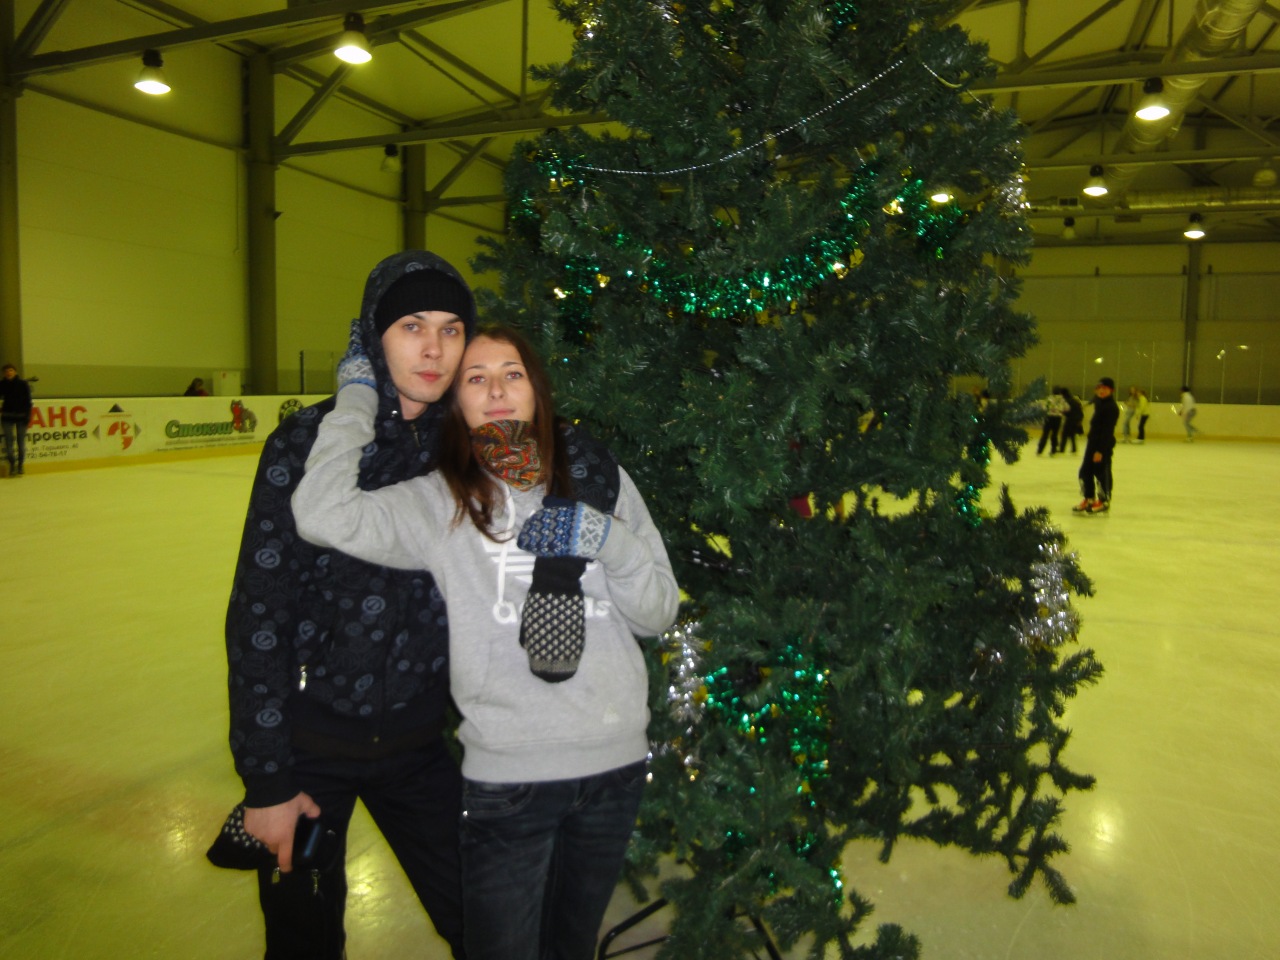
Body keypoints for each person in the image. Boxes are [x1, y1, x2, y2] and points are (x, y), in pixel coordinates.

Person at [292, 324, 680, 960]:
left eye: (512, 374)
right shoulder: (437, 500)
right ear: (456, 402)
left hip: (613, 770)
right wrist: (358, 397)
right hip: (509, 781)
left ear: (537, 391)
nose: (497, 390)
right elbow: (320, 513)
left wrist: (611, 540)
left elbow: (657, 613)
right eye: (476, 378)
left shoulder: (599, 475)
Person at [224, 250, 479, 960]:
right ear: (374, 336)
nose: (433, 349)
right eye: (411, 326)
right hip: (311, 758)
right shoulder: (306, 442)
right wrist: (267, 781)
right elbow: (260, 612)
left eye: (452, 329)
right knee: (303, 941)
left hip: (425, 749)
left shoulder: (471, 449)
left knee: (486, 925)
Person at [1072, 376, 1119, 514]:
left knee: (1101, 473)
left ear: (1111, 390)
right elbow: (1095, 399)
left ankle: (1104, 501)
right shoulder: (1100, 402)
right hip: (1092, 443)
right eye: (1099, 388)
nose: (1101, 391)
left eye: (1105, 388)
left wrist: (1100, 451)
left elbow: (1107, 431)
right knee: (1085, 472)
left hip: (1102, 445)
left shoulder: (1111, 408)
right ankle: (1089, 498)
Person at [1, 362, 33, 478]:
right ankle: (12, 465)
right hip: (7, 417)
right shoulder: (2, 384)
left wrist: (28, 416)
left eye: (10, 370)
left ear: (15, 372)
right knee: (9, 443)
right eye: (6, 371)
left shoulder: (23, 384)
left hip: (21, 417)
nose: (8, 373)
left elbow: (28, 401)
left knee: (21, 442)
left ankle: (20, 465)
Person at [1036, 386, 1066, 455]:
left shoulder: (1049, 398)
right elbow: (1067, 408)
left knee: (1045, 434)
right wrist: (1060, 411)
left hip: (1049, 418)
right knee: (1054, 434)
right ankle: (1053, 449)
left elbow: (1044, 407)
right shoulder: (1062, 400)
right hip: (1058, 418)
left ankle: (1040, 449)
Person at [1060, 387, 1084, 454]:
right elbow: (1080, 411)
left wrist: (1063, 413)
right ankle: (1074, 448)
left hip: (1071, 419)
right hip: (1076, 418)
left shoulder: (1067, 401)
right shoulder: (1073, 400)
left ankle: (1062, 449)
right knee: (1072, 434)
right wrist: (1080, 419)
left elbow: (1067, 411)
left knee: (1065, 434)